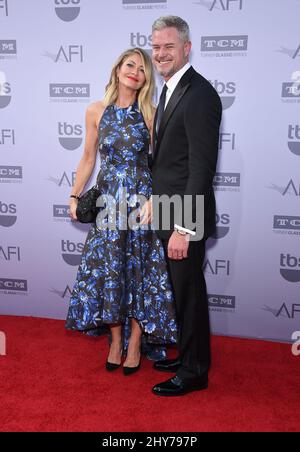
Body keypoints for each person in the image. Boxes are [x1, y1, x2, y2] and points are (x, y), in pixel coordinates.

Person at [65, 48, 177, 375]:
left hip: (141, 202)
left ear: (146, 79)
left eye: (142, 69)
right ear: (118, 70)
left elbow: (167, 162)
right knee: (110, 269)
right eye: (130, 65)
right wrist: (74, 196)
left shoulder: (152, 113)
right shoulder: (96, 111)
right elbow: (88, 158)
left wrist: (156, 199)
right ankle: (116, 340)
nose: (135, 72)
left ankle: (138, 341)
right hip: (109, 202)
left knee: (141, 271)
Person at [148, 16, 222, 396]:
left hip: (183, 218)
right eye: (156, 47)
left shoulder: (200, 95)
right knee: (182, 292)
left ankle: (194, 372)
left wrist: (184, 227)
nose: (160, 54)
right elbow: (167, 160)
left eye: (168, 47)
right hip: (166, 209)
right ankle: (189, 355)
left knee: (190, 292)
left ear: (186, 49)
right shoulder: (169, 90)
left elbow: (199, 169)